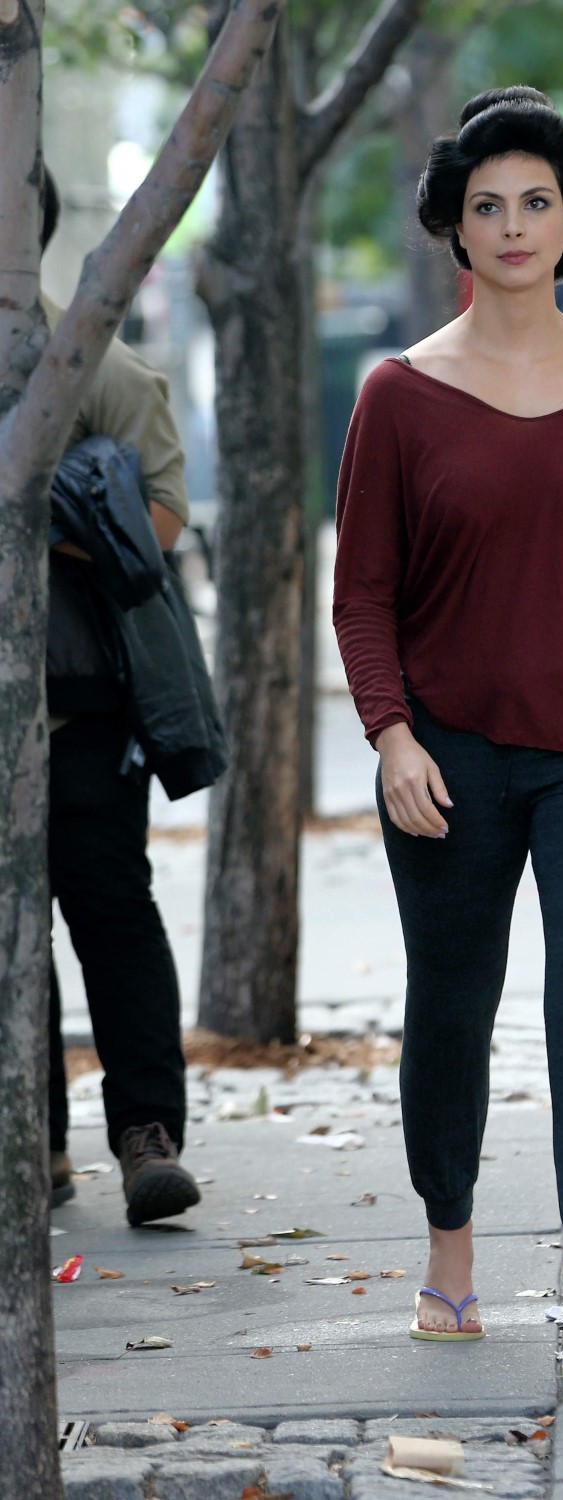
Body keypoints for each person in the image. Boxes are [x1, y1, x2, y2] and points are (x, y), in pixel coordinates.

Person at [333, 86, 563, 1380]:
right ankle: (451, 1249)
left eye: (538, 201)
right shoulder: (398, 395)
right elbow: (362, 593)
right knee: (452, 1006)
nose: (514, 224)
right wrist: (391, 735)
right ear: (457, 229)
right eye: (488, 206)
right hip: (449, 755)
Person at [43, 169, 202, 1227]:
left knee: (108, 908)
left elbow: (166, 523)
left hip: (81, 704)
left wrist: (45, 510)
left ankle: (147, 1135)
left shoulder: (98, 368)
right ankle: (35, 1144)